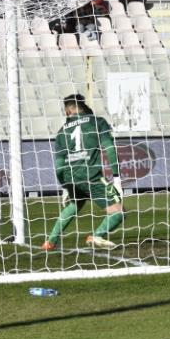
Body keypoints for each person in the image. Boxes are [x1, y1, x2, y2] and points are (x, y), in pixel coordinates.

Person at [41, 94, 123, 251]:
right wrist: (117, 178)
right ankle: (97, 235)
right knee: (118, 212)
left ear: (68, 110)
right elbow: (110, 149)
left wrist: (65, 186)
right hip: (91, 176)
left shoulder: (62, 131)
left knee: (75, 204)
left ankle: (50, 242)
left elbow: (58, 164)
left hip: (70, 176)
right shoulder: (97, 122)